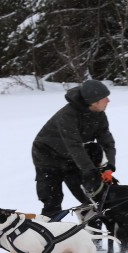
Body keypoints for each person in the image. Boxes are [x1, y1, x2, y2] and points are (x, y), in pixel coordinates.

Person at [32, 79, 117, 217]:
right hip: (46, 157)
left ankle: (92, 233)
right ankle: (48, 234)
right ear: (94, 102)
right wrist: (89, 169)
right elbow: (73, 144)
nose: (108, 100)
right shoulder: (67, 116)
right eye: (105, 98)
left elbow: (106, 141)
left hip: (71, 157)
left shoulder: (99, 114)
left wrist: (110, 165)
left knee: (90, 196)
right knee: (53, 201)